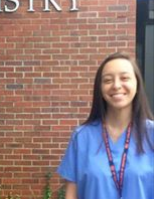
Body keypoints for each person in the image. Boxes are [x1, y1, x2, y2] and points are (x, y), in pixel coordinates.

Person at [57, 52, 154, 199]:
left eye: (124, 78)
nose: (116, 85)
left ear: (137, 84)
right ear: (100, 89)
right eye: (108, 80)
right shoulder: (82, 137)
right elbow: (71, 195)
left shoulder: (152, 135)